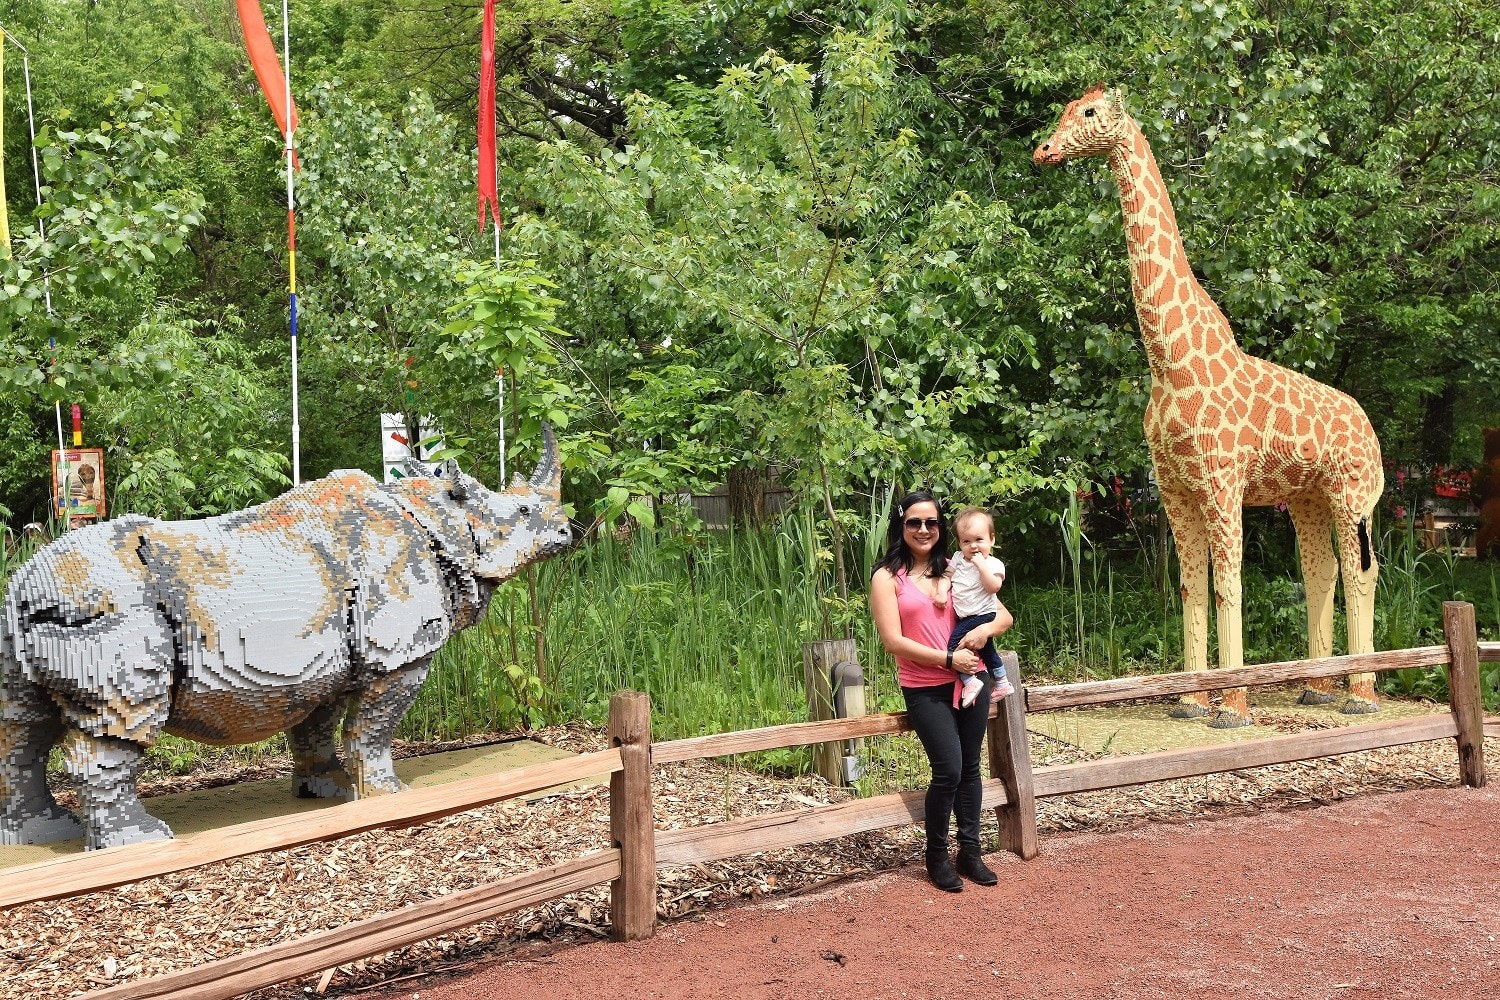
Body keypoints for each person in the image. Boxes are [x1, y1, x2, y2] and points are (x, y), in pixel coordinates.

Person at [870, 491, 1014, 892]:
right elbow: (893, 642)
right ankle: (936, 854)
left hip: (975, 680)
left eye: (931, 522)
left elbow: (1002, 614)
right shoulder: (887, 577)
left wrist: (984, 632)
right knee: (948, 768)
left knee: (970, 767)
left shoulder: (959, 566)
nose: (923, 529)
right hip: (925, 686)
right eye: (914, 522)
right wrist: (948, 661)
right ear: (901, 525)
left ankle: (971, 851)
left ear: (940, 527)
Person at [935, 508, 1016, 708]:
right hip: (966, 616)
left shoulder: (993, 563)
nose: (973, 546)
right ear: (959, 543)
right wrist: (941, 591)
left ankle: (969, 681)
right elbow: (947, 576)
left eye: (979, 540)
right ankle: (1002, 681)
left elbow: (993, 587)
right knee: (987, 650)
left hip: (982, 614)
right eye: (966, 541)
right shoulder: (957, 559)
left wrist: (981, 565)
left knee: (955, 645)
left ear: (992, 539)